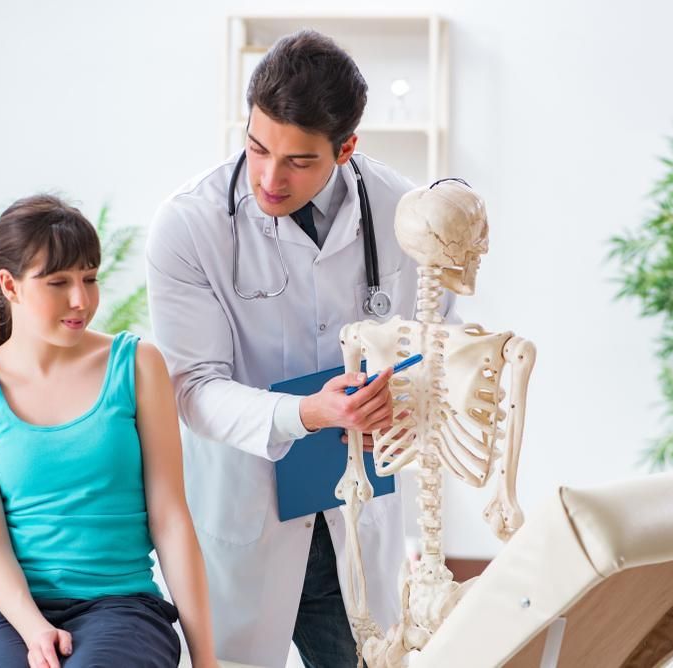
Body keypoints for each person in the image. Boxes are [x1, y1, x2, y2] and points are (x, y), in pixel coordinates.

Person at [146, 30, 456, 667]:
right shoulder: (189, 226)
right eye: (258, 147)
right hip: (244, 506)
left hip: (357, 512)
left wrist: (399, 399)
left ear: (346, 148)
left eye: (299, 161)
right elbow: (194, 388)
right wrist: (307, 414)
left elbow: (437, 346)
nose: (269, 176)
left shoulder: (407, 215)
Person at [0, 195, 218, 668]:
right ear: (11, 284)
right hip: (0, 609)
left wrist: (205, 661)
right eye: (58, 282)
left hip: (120, 605)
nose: (80, 301)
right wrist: (35, 629)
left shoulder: (136, 365)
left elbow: (170, 519)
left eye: (89, 279)